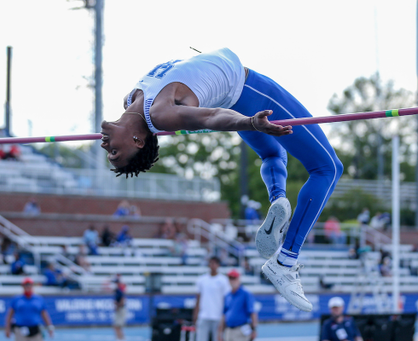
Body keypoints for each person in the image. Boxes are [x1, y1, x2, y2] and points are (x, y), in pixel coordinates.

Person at [101, 48, 343, 312]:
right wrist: (251, 122)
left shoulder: (130, 99)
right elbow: (212, 116)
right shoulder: (160, 115)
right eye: (114, 152)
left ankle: (278, 201)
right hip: (249, 91)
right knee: (328, 168)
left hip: (236, 98)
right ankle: (286, 261)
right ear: (137, 142)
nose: (105, 146)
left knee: (273, 154)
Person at [193, 256, 231, 341]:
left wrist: (224, 316)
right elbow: (198, 299)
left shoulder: (223, 280)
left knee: (217, 338)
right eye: (211, 263)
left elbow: (226, 300)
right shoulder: (202, 280)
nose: (212, 265)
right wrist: (195, 315)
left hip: (218, 316)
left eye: (215, 263)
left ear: (218, 265)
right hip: (204, 315)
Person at [219, 269, 257, 341]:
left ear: (238, 279)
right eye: (230, 278)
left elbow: (252, 312)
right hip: (229, 330)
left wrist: (254, 329)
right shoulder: (227, 295)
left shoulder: (246, 294)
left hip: (240, 330)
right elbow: (224, 315)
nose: (232, 280)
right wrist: (221, 332)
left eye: (234, 278)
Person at [112, 276, 127, 341]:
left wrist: (118, 306)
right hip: (119, 309)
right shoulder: (117, 291)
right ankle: (120, 338)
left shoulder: (119, 291)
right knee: (117, 326)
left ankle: (120, 338)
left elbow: (123, 300)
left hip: (120, 310)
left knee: (117, 326)